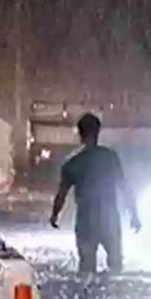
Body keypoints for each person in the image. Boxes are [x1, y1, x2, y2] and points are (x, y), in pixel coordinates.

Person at [50, 113, 141, 274]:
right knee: (116, 265)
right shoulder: (111, 158)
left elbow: (61, 194)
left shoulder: (73, 163)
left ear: (80, 134)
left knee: (86, 268)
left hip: (86, 221)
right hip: (109, 219)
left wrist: (54, 215)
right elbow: (125, 187)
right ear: (98, 132)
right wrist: (134, 214)